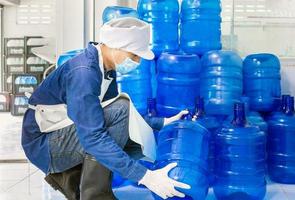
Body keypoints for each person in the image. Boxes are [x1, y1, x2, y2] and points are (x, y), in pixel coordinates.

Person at [21, 17, 190, 200]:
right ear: (116, 46)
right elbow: (92, 136)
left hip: (62, 132)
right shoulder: (84, 73)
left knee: (127, 126)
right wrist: (146, 177)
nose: (138, 62)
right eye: (134, 55)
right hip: (44, 145)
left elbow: (112, 113)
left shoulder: (105, 68)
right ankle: (94, 195)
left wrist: (161, 122)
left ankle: (74, 179)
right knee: (118, 114)